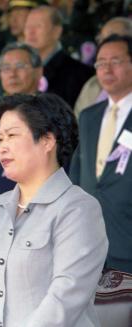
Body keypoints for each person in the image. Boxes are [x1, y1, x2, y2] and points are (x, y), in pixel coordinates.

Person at [0, 93, 108, 327]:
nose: (2, 147)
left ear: (48, 141)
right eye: (0, 139)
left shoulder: (79, 209)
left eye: (12, 135)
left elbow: (66, 295)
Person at [70, 34, 132, 275]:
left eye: (115, 61)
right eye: (100, 63)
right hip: (89, 246)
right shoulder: (89, 116)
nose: (106, 69)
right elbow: (78, 176)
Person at [0, 42, 42, 207]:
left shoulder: (49, 115)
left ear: (38, 71)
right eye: (6, 68)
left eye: (20, 66)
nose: (12, 74)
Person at [24, 5, 94, 107]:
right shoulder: (20, 69)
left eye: (38, 26)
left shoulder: (79, 73)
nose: (31, 32)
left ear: (56, 31)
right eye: (28, 27)